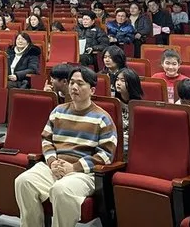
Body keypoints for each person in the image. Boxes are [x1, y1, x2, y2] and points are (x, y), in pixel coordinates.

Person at [14, 66, 118, 227]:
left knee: (61, 190)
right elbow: (46, 139)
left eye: (80, 84)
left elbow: (105, 155)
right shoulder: (58, 111)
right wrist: (52, 162)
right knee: (23, 181)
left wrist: (74, 167)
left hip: (84, 173)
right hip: (56, 166)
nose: (74, 87)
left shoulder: (103, 118)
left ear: (92, 90)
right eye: (71, 83)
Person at [114, 68, 144, 159]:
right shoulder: (113, 103)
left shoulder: (140, 107)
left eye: (123, 81)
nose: (118, 83)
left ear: (132, 83)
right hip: (115, 141)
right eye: (117, 79)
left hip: (132, 144)